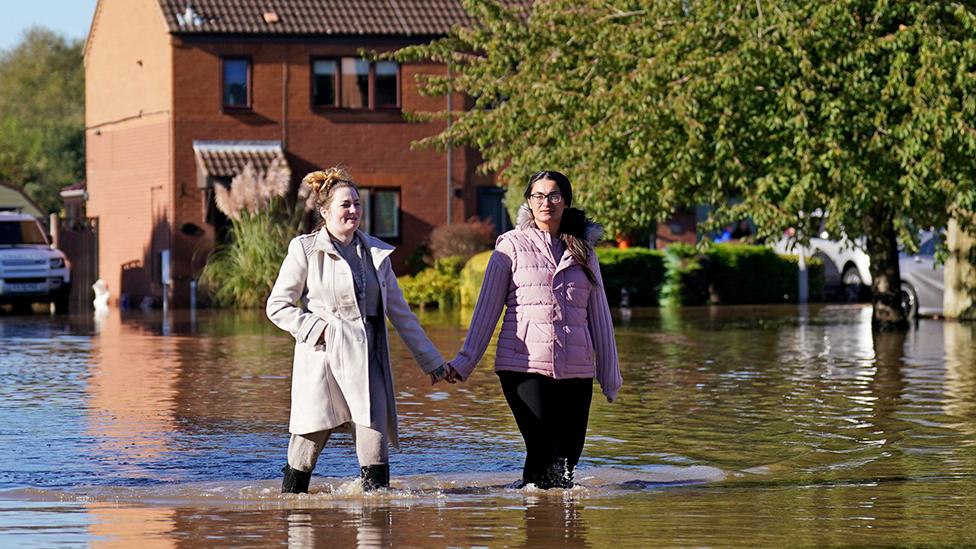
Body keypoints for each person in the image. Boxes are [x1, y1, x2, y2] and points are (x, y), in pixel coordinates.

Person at [266, 167, 453, 494]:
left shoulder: (378, 254)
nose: (353, 210)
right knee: (305, 448)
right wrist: (317, 329)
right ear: (324, 212)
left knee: (375, 446)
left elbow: (402, 314)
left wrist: (433, 362)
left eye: (357, 203)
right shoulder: (305, 249)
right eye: (345, 205)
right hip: (322, 360)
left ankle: (376, 527)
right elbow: (277, 305)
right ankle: (293, 516)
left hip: (368, 361)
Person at [442, 170, 622, 489]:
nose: (545, 203)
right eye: (537, 196)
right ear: (528, 202)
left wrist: (609, 374)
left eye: (553, 195)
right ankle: (537, 520)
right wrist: (465, 362)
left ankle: (558, 528)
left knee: (569, 457)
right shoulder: (510, 246)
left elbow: (600, 316)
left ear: (566, 201)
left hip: (576, 370)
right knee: (543, 448)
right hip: (523, 367)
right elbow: (487, 310)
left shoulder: (584, 250)